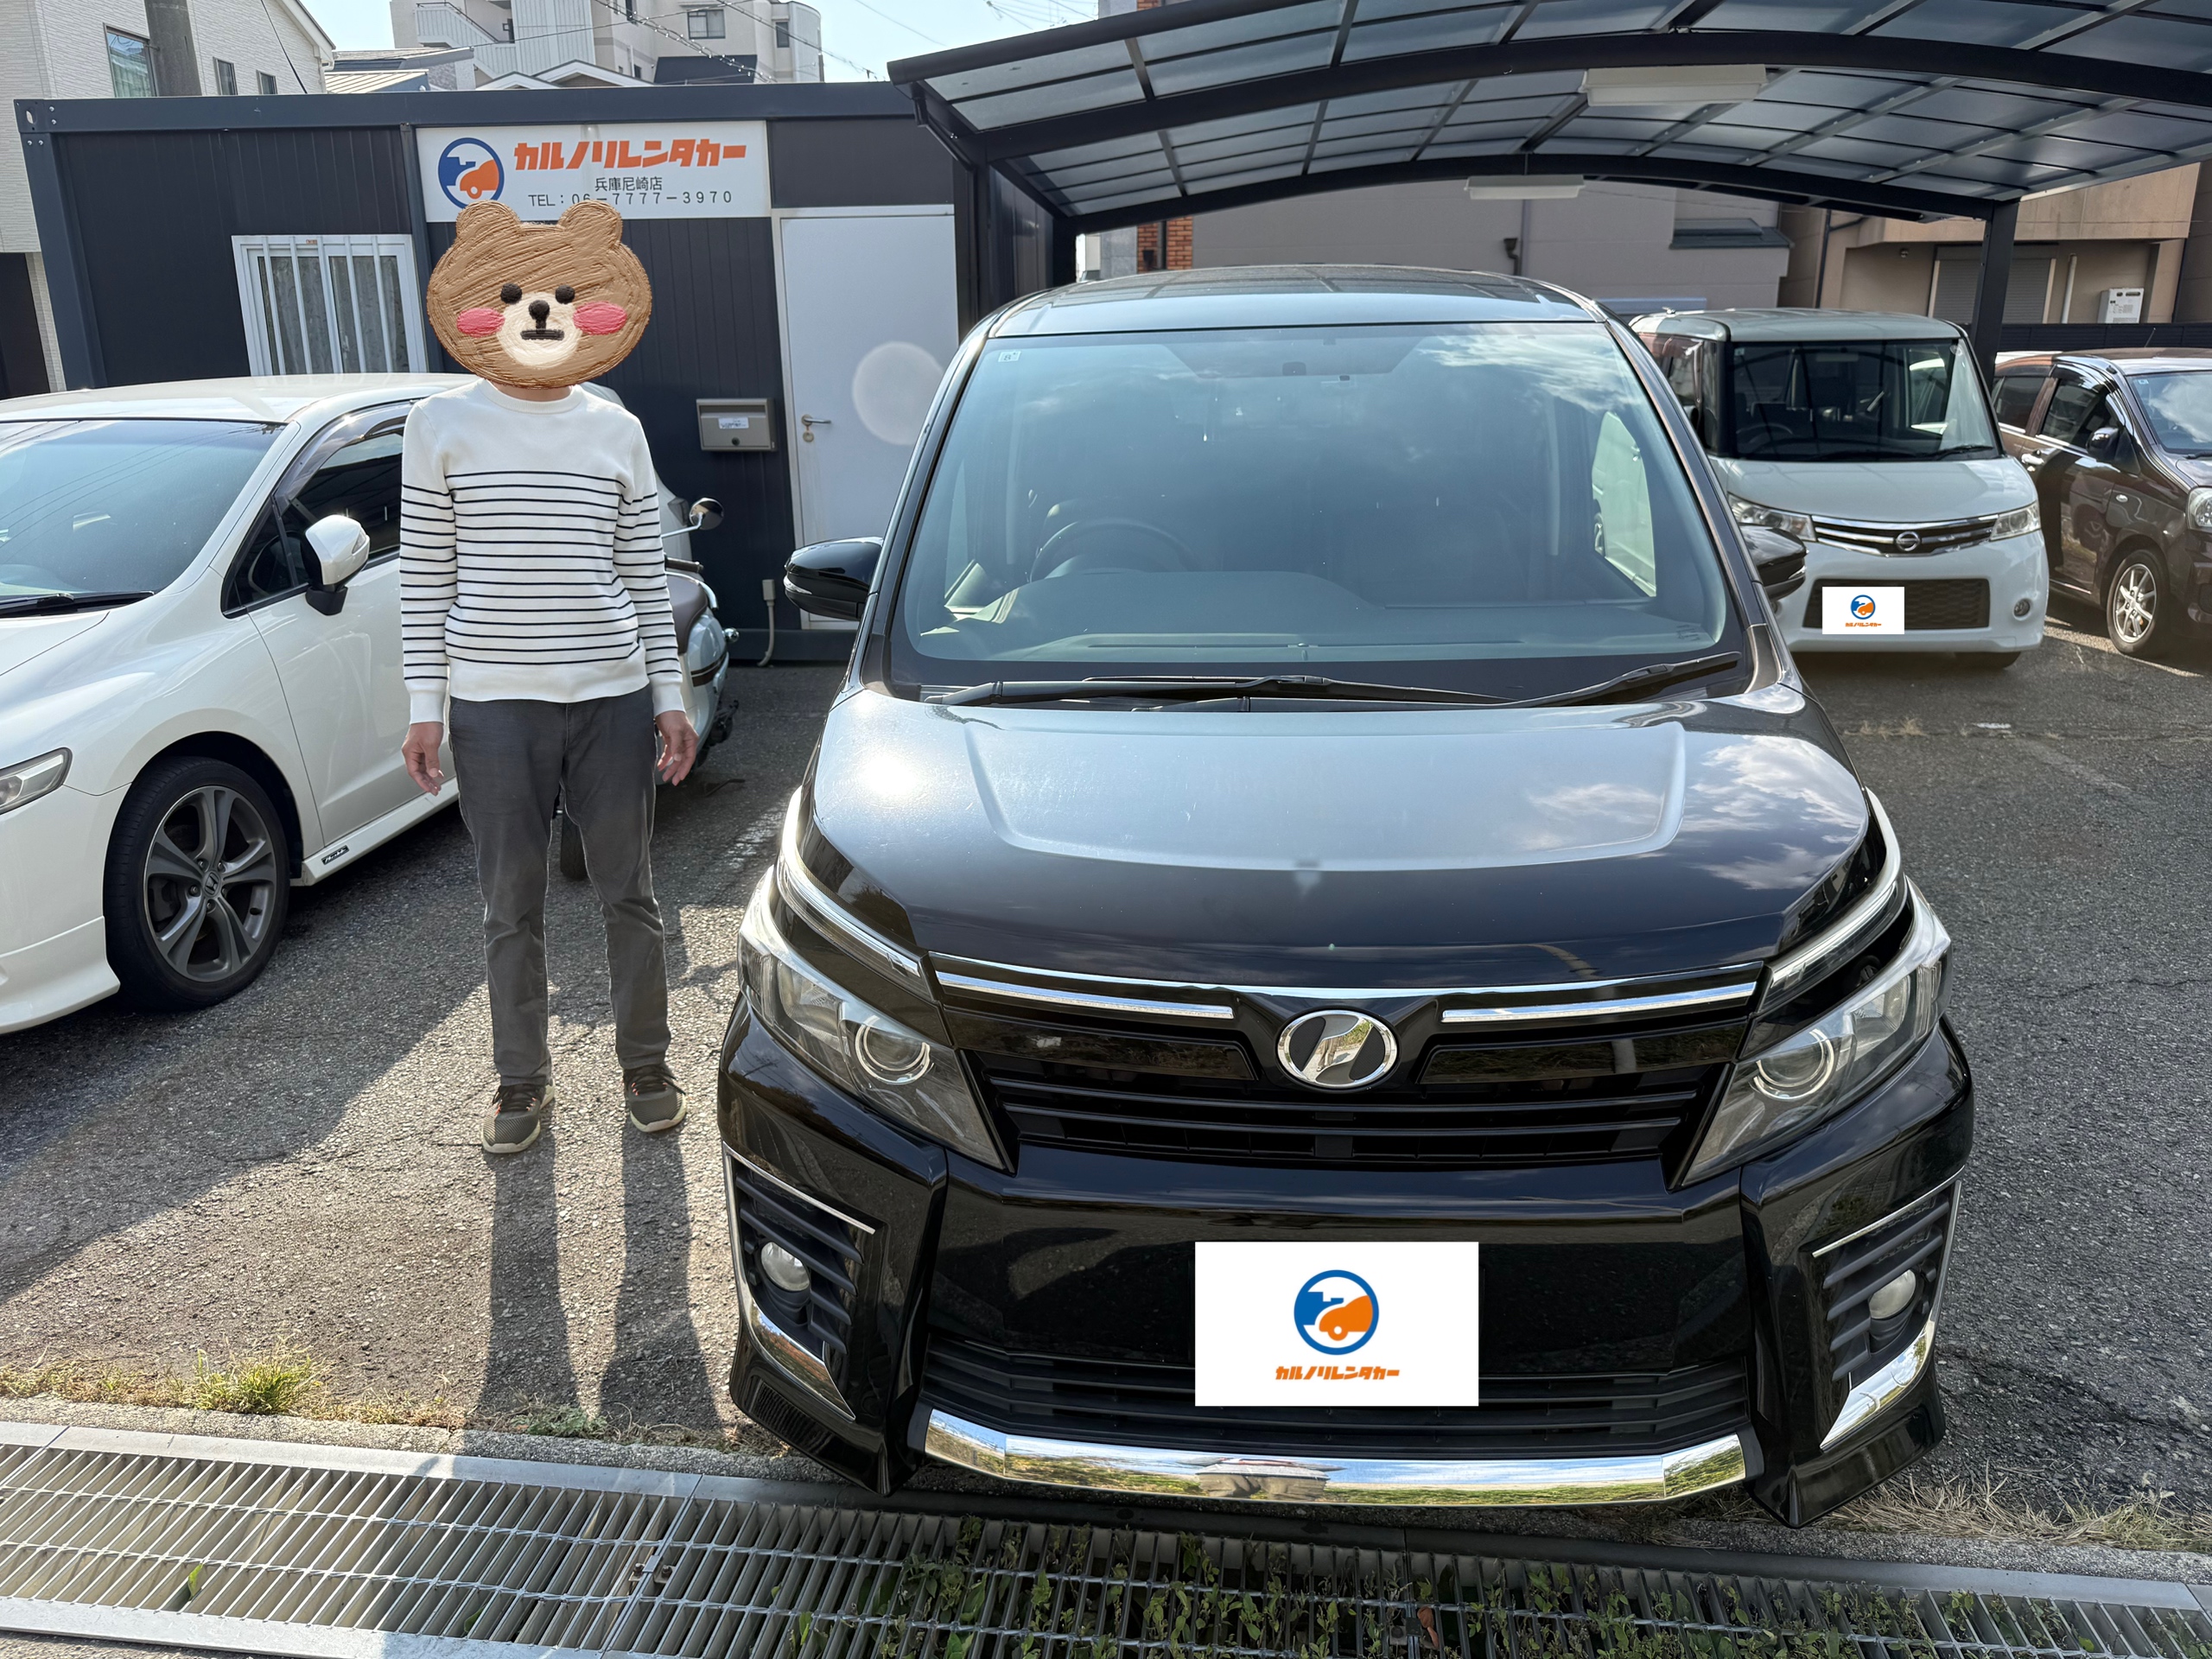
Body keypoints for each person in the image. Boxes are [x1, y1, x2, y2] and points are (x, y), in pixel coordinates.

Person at [397, 370, 697, 1155]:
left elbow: (644, 573)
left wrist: (669, 695)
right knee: (509, 902)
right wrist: (425, 706)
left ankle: (646, 1066)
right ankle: (521, 1078)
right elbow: (425, 574)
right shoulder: (439, 423)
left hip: (613, 696)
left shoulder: (615, 428)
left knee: (629, 892)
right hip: (493, 702)